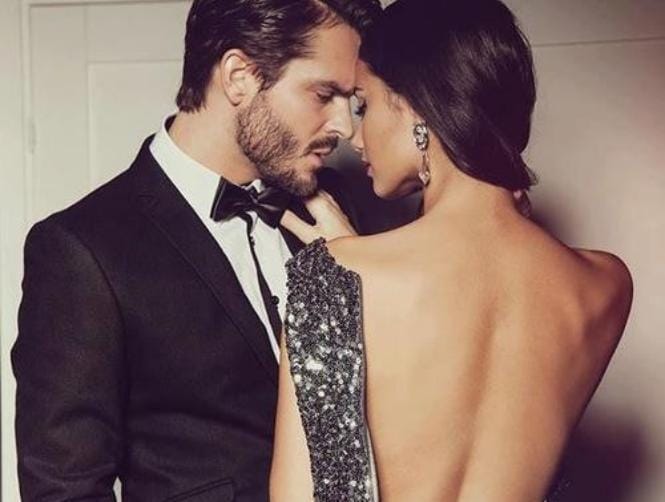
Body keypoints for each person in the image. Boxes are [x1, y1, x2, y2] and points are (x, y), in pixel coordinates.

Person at [11, 0, 381, 500]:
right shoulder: (83, 250)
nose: (345, 127)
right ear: (239, 77)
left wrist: (365, 272)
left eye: (351, 101)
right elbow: (65, 489)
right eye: (324, 94)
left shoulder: (343, 212)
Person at [270, 0, 634, 500]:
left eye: (364, 104)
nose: (354, 136)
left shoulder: (333, 278)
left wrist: (341, 271)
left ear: (416, 108)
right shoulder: (606, 284)